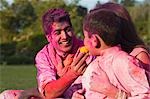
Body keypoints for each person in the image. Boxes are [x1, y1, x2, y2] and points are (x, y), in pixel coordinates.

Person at [0, 8, 92, 99]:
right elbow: (48, 93)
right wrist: (73, 73)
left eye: (67, 30)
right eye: (58, 32)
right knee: (6, 96)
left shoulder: (88, 49)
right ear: (49, 37)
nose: (65, 36)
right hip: (55, 96)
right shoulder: (44, 56)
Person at [72, 2, 150, 99]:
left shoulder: (126, 60)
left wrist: (115, 93)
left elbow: (145, 94)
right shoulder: (95, 62)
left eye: (85, 36)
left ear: (94, 40)